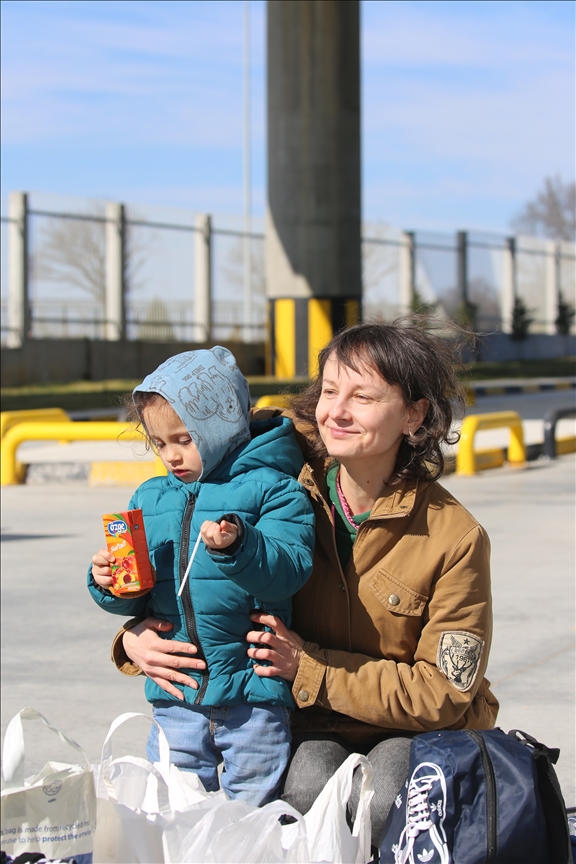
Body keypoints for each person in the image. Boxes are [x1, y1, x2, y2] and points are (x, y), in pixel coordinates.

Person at [110, 323, 499, 845]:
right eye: (330, 391)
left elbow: (443, 692)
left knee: (381, 797)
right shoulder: (278, 488)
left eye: (362, 396)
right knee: (306, 786)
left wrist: (310, 668)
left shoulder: (454, 537)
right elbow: (190, 570)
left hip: (413, 728)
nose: (337, 411)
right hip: (313, 721)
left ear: (414, 414)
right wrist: (134, 636)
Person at [88, 346, 315, 806]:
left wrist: (240, 545)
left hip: (252, 694)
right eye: (159, 443)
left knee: (251, 813)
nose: (171, 456)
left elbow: (289, 571)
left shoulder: (273, 488)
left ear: (222, 423)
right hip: (175, 695)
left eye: (184, 439)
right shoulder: (150, 498)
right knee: (173, 807)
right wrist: (109, 583)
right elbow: (137, 600)